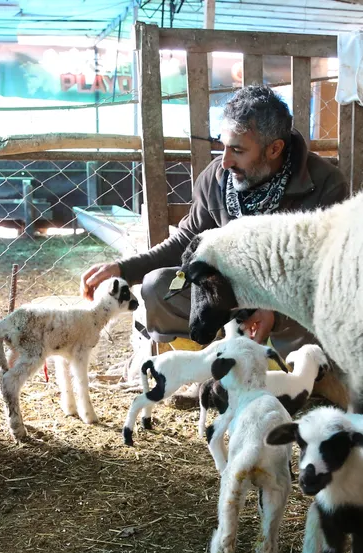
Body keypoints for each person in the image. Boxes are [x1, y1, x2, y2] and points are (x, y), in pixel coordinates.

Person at [79, 85, 349, 405]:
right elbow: (187, 240)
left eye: (237, 150)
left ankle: (298, 381)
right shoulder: (216, 179)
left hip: (290, 301)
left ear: (274, 149)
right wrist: (124, 268)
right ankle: (213, 368)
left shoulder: (325, 184)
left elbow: (326, 271)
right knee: (156, 288)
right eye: (223, 147)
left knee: (321, 321)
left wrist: (275, 309)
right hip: (226, 295)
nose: (224, 161)